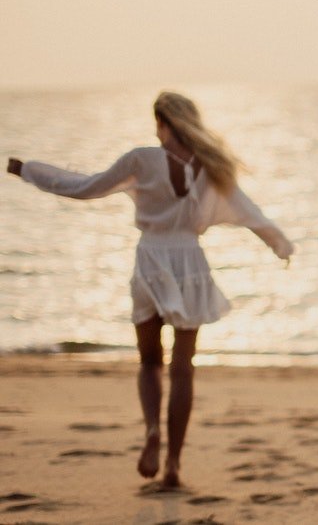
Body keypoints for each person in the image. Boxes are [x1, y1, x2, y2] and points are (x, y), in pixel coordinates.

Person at [6, 91, 294, 488]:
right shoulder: (212, 165)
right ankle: (173, 464)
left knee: (149, 362)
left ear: (162, 122)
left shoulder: (142, 159)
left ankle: (152, 433)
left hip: (150, 261)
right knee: (183, 369)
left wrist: (29, 170)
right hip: (190, 263)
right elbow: (250, 213)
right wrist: (282, 246)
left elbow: (86, 187)